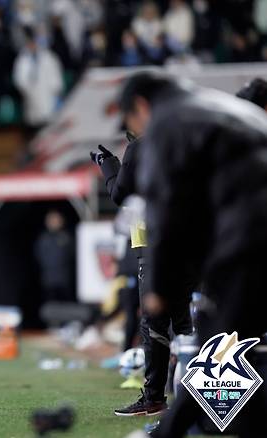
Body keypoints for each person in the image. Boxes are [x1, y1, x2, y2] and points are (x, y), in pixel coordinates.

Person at [119, 71, 267, 437]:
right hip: (252, 235)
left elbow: (167, 212)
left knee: (221, 343)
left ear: (140, 107)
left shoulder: (169, 124)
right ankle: (198, 425)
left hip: (249, 239)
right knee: (235, 340)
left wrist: (160, 285)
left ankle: (173, 430)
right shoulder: (221, 108)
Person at [91, 131, 194, 416]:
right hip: (187, 241)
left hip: (153, 243)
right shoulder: (182, 141)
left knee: (154, 324)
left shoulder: (140, 146)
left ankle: (154, 397)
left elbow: (119, 194)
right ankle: (200, 395)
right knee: (184, 322)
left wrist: (106, 164)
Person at [34, 210, 75, 305]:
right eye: (51, 220)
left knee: (65, 303)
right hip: (48, 279)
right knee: (50, 303)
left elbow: (72, 255)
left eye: (56, 220)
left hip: (64, 279)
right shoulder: (43, 238)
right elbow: (38, 256)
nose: (54, 223)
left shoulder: (67, 237)